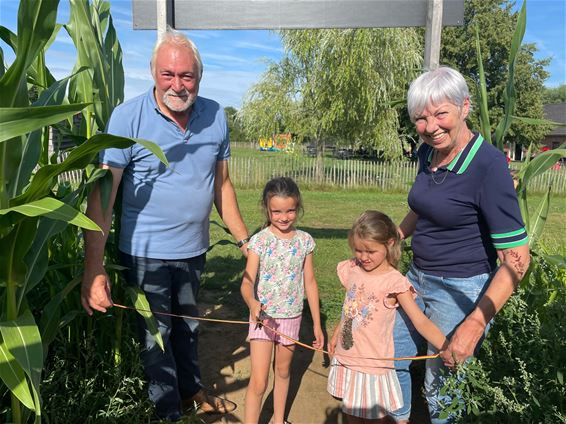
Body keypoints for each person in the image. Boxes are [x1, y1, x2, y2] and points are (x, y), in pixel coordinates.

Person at [80, 28, 250, 421]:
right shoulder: (127, 117)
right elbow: (103, 195)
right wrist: (94, 267)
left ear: (199, 77)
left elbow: (221, 185)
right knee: (156, 339)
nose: (177, 84)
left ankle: (191, 393)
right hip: (144, 256)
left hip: (193, 251)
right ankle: (168, 412)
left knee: (188, 328)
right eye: (168, 74)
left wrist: (245, 241)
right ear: (154, 73)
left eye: (186, 76)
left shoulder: (215, 116)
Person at [390, 66, 530, 423]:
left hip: (459, 290)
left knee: (442, 391)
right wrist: (392, 238)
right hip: (415, 278)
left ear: (464, 107)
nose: (431, 126)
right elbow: (422, 209)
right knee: (392, 360)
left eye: (440, 114)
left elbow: (517, 261)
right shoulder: (428, 153)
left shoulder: (489, 166)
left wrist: (473, 324)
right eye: (420, 118)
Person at [327, 211, 447, 424]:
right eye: (358, 250)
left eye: (370, 251)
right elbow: (349, 307)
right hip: (348, 358)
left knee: (375, 419)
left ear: (390, 243)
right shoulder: (353, 268)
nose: (363, 257)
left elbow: (420, 321)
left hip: (373, 366)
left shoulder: (394, 282)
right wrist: (337, 332)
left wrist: (446, 347)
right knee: (350, 415)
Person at [240, 177, 324, 424]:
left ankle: (279, 420)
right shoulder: (260, 241)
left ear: (298, 208)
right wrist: (252, 303)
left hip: (291, 318)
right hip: (263, 320)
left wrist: (317, 325)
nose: (284, 217)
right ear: (267, 209)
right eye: (277, 211)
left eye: (290, 210)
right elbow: (246, 282)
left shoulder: (305, 241)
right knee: (259, 380)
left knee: (284, 371)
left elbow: (310, 283)